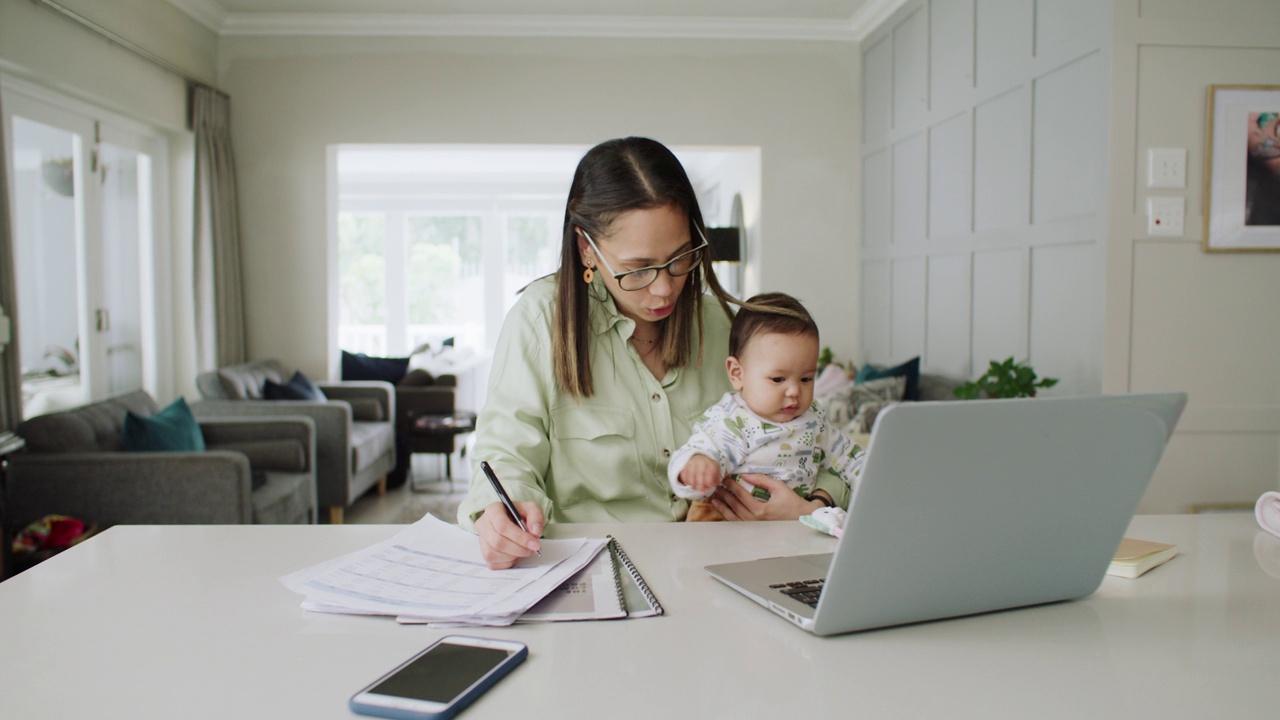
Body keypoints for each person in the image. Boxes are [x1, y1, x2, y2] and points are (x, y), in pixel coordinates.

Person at [458, 137, 836, 570]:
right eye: (638, 269)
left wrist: (811, 504)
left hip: (724, 566)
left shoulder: (728, 329)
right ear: (587, 248)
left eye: (680, 259)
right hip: (594, 568)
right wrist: (505, 510)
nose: (663, 288)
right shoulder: (539, 321)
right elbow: (507, 452)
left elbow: (813, 438)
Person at [669, 292, 866, 522]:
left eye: (806, 379)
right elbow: (696, 454)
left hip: (791, 529)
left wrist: (873, 475)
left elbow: (850, 458)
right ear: (737, 374)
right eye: (778, 379)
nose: (794, 391)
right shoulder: (731, 420)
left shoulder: (814, 419)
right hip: (724, 528)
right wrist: (697, 466)